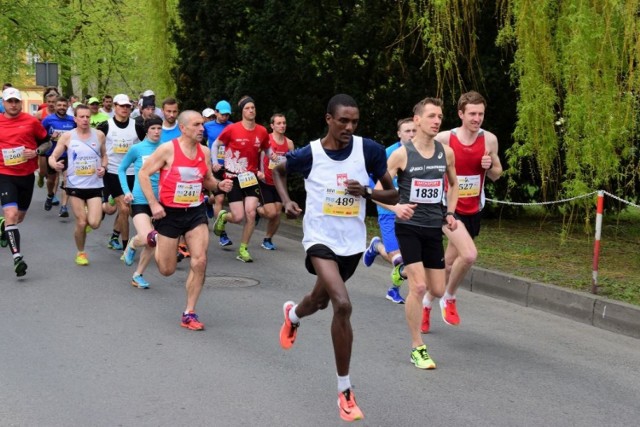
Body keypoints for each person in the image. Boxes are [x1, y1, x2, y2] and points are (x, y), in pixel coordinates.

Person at [273, 94, 398, 422]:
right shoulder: (310, 153)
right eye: (343, 120)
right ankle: (345, 391)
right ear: (328, 119)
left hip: (351, 244)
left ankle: (294, 315)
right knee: (342, 303)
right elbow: (278, 170)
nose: (349, 127)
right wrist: (286, 201)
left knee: (320, 300)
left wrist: (368, 193)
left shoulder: (367, 150)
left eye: (354, 122)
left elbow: (394, 193)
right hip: (319, 240)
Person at [138, 110, 232, 330]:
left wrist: (219, 186)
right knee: (167, 270)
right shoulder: (167, 149)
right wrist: (153, 204)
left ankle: (189, 312)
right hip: (169, 214)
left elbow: (207, 179)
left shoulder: (205, 152)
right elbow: (143, 173)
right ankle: (156, 239)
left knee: (199, 261)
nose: (202, 128)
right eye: (197, 124)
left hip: (195, 212)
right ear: (183, 128)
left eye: (202, 124)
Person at [385, 97, 459, 370]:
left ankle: (402, 269)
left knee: (437, 289)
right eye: (431, 116)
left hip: (433, 228)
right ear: (417, 120)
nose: (437, 120)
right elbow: (378, 189)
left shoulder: (445, 153)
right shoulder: (401, 154)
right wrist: (396, 207)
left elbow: (454, 185)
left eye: (439, 116)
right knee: (419, 287)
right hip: (408, 227)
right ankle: (417, 347)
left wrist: (450, 213)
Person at [420, 91, 503, 332]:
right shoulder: (446, 138)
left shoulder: (489, 140)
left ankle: (426, 304)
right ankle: (449, 297)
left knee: (448, 264)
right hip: (448, 208)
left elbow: (498, 173)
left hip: (473, 207)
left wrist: (489, 167)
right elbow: (426, 162)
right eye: (472, 114)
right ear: (461, 114)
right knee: (468, 256)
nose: (477, 118)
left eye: (481, 114)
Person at [362, 117, 417, 304]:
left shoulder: (422, 154)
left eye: (414, 130)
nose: (411, 134)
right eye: (407, 131)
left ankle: (393, 290)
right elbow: (371, 182)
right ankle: (377, 246)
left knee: (409, 257)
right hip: (388, 211)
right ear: (399, 133)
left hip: (411, 212)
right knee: (398, 258)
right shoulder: (388, 153)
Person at [211, 96, 271, 262]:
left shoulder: (262, 131)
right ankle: (224, 216)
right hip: (233, 176)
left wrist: (270, 161)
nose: (251, 110)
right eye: (247, 108)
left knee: (250, 213)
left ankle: (243, 249)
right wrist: (215, 162)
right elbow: (216, 145)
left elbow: (267, 150)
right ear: (242, 112)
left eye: (253, 107)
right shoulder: (232, 129)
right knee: (237, 217)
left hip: (250, 178)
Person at [48, 104, 107, 265]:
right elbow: (53, 156)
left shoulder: (99, 135)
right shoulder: (68, 136)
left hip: (94, 185)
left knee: (94, 223)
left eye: (87, 116)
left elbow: (104, 156)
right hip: (74, 185)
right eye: (81, 116)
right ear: (75, 119)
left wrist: (103, 167)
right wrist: (55, 164)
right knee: (81, 222)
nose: (85, 119)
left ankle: (88, 217)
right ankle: (81, 253)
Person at [0, 87, 48, 276]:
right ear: (3, 103)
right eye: (9, 101)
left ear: (20, 103)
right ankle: (17, 258)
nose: (13, 104)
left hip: (26, 175)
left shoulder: (31, 122)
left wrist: (35, 152)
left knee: (18, 217)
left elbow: (47, 142)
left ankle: (4, 224)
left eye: (16, 101)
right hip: (4, 173)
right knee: (11, 213)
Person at [119, 115, 165, 288]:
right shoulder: (137, 149)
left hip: (160, 201)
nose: (156, 131)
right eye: (153, 128)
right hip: (139, 199)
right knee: (148, 237)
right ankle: (131, 244)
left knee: (154, 240)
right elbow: (122, 169)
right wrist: (126, 191)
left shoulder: (166, 148)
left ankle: (137, 275)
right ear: (147, 130)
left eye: (159, 128)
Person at [96, 94, 145, 251]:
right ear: (115, 107)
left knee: (125, 209)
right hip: (112, 171)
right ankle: (126, 247)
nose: (125, 109)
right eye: (121, 106)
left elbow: (146, 147)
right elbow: (93, 146)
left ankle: (114, 237)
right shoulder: (105, 126)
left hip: (132, 173)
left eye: (127, 106)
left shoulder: (137, 126)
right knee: (122, 209)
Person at [256, 113, 294, 250]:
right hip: (265, 180)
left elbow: (291, 162)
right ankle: (256, 209)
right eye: (279, 123)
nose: (282, 125)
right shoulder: (266, 140)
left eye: (284, 123)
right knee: (271, 213)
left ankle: (268, 239)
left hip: (279, 183)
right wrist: (257, 171)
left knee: (277, 213)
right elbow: (255, 154)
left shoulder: (288, 143)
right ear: (272, 125)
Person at [203, 99, 233, 247]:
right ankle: (222, 234)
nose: (224, 117)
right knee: (220, 200)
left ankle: (207, 202)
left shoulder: (232, 126)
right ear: (215, 112)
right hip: (213, 167)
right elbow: (199, 143)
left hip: (229, 166)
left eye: (227, 115)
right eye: (222, 114)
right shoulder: (207, 126)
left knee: (217, 199)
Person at [41, 96, 75, 216]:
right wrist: (50, 137)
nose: (61, 108)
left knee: (67, 180)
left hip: (67, 155)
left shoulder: (72, 120)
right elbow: (41, 135)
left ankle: (64, 207)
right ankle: (50, 195)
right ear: (55, 106)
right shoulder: (48, 120)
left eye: (64, 106)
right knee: (51, 180)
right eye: (59, 105)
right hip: (52, 154)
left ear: (67, 107)